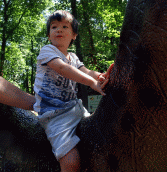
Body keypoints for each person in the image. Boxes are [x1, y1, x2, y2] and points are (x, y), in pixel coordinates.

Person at [33, 10, 113, 172]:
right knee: (71, 161)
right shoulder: (47, 51)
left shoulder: (73, 57)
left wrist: (100, 77)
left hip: (75, 107)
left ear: (74, 35)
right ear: (49, 35)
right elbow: (62, 68)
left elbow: (87, 71)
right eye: (54, 27)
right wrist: (91, 82)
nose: (59, 30)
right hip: (54, 114)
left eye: (64, 26)